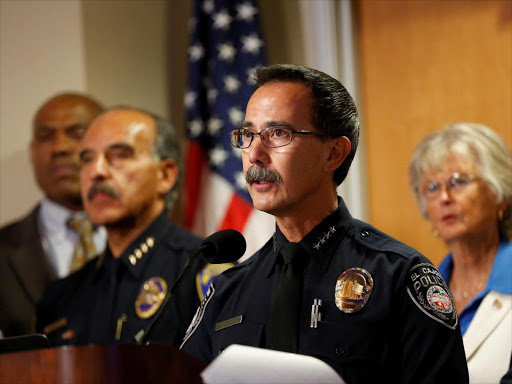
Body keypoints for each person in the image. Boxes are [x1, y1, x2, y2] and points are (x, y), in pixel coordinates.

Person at [180, 64, 469, 383]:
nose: (255, 154)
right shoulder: (227, 290)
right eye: (247, 135)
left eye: (278, 133)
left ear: (333, 154)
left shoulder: (399, 277)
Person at [36, 107, 206, 346]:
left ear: (165, 175)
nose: (96, 172)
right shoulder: (62, 296)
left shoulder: (201, 270)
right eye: (87, 159)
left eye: (119, 155)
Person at [409, 122, 512, 383]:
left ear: (499, 193)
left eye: (458, 182)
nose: (444, 197)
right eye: (432, 188)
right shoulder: (416, 290)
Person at [0, 93, 106, 337]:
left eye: (77, 134)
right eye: (46, 137)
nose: (59, 147)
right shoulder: (3, 249)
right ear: (31, 152)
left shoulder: (150, 243)